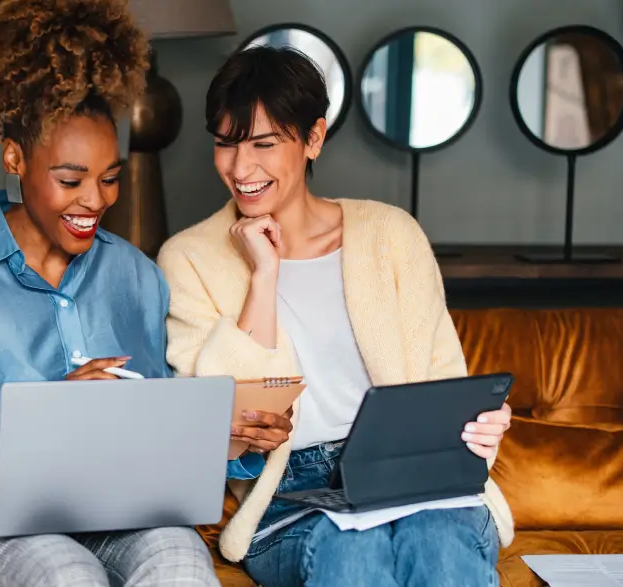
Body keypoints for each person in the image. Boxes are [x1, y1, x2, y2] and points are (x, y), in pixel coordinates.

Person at [0, 1, 219, 586]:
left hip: (105, 505)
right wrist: (44, 427)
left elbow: (154, 429)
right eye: (70, 180)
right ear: (14, 156)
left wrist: (225, 434)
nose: (95, 200)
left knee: (179, 557)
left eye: (109, 177)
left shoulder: (136, 276)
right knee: (64, 575)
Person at [157, 45, 514, 587]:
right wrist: (263, 276)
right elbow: (220, 426)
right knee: (353, 553)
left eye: (264, 144)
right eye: (226, 144)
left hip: (415, 476)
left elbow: (443, 386)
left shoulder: (391, 235)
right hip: (292, 498)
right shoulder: (189, 259)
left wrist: (480, 427)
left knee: (438, 546)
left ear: (314, 138)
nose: (240, 167)